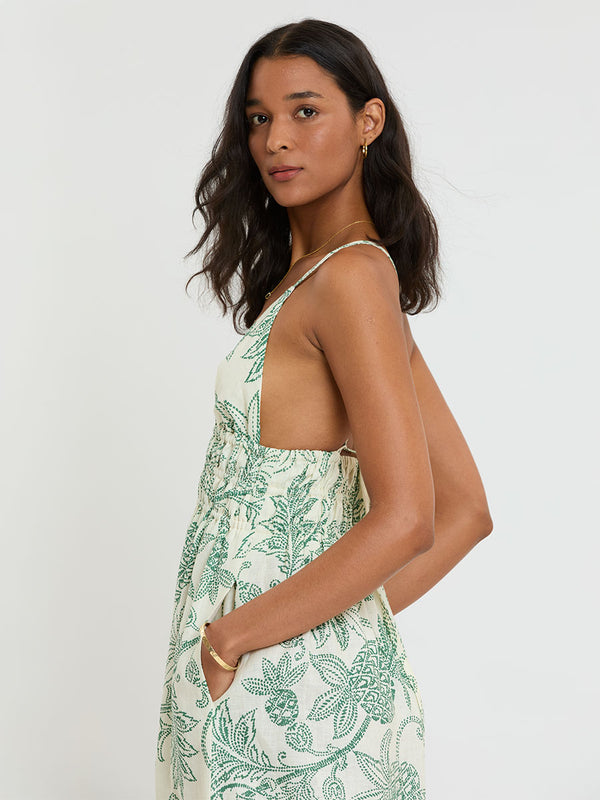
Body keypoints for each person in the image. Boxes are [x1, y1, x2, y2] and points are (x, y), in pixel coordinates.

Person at [155, 18, 493, 800]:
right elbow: (468, 508)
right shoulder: (326, 282)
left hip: (275, 696)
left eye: (306, 111)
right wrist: (332, 632)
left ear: (367, 122)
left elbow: (412, 515)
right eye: (259, 117)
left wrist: (240, 638)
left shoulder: (351, 280)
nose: (277, 138)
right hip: (277, 673)